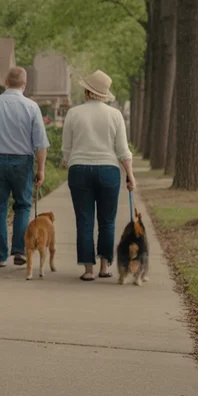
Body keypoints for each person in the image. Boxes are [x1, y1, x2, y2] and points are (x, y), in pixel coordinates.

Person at [60, 70, 135, 282]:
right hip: (108, 170)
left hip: (79, 170)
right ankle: (104, 267)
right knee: (107, 221)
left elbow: (66, 149)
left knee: (84, 221)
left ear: (86, 91)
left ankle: (88, 270)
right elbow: (122, 149)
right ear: (104, 94)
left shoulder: (74, 113)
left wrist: (69, 163)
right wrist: (130, 175)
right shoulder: (115, 115)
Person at [0, 67, 50, 267]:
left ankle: (0, 256)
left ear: (5, 82)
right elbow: (40, 144)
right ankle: (19, 250)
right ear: (24, 84)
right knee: (23, 206)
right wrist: (41, 169)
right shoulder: (32, 107)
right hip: (22, 162)